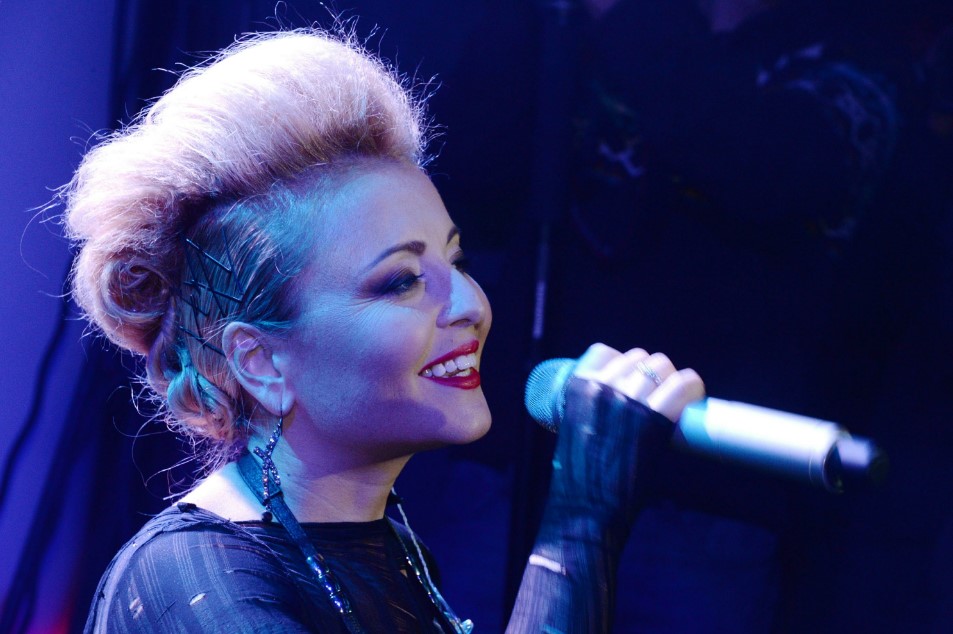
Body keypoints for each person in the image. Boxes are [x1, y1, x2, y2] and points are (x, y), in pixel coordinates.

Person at [63, 30, 704, 632]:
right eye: (401, 281)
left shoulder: (397, 550)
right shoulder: (192, 580)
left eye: (456, 262)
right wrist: (580, 528)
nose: (471, 305)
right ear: (260, 362)